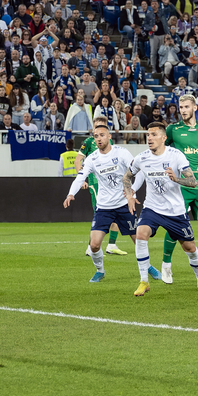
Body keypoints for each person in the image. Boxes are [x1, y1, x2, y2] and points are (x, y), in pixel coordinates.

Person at [124, 121, 198, 298]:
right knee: (141, 234)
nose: (150, 138)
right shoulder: (141, 158)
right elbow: (127, 177)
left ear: (164, 138)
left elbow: (193, 181)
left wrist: (176, 179)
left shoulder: (176, 155)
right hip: (152, 208)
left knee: (190, 249)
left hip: (175, 211)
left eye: (154, 134)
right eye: (148, 134)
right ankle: (144, 281)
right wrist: (129, 195)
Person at [64, 122, 151, 285]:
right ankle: (100, 271)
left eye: (102, 135)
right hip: (103, 207)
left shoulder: (122, 153)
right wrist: (71, 193)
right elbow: (80, 177)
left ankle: (149, 268)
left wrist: (132, 191)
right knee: (95, 245)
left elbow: (138, 171)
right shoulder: (92, 158)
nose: (99, 139)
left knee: (138, 240)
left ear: (109, 136)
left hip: (124, 205)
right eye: (96, 136)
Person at [161, 95, 198, 280]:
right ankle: (166, 264)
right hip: (181, 185)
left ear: (195, 108)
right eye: (180, 107)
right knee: (175, 226)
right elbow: (161, 149)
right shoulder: (173, 129)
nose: (182, 110)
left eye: (186, 106)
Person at [76, 116, 127, 257]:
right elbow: (78, 159)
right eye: (97, 126)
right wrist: (82, 179)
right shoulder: (88, 141)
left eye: (102, 126)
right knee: (100, 215)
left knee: (116, 213)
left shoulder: (109, 142)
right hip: (96, 183)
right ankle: (89, 247)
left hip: (112, 184)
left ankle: (112, 244)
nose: (99, 130)